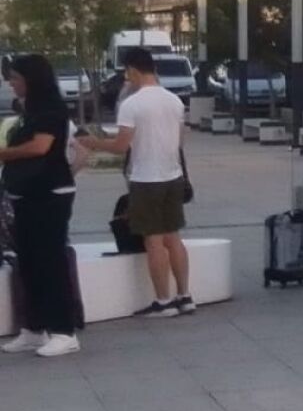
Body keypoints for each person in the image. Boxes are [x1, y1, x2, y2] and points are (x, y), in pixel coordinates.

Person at [78, 48, 192, 319]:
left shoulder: (132, 104)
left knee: (153, 241)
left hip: (145, 179)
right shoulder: (174, 101)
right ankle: (185, 296)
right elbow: (179, 141)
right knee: (173, 237)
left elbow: (120, 146)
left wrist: (91, 142)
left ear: (132, 70)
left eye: (127, 72)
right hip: (172, 175)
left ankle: (163, 301)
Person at [0, 55, 82, 356]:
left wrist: (4, 153)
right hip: (25, 193)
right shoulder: (28, 110)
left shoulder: (51, 109)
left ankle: (63, 330)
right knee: (29, 262)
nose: (11, 83)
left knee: (51, 261)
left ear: (32, 79)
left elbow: (40, 147)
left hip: (51, 193)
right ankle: (34, 327)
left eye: (15, 78)